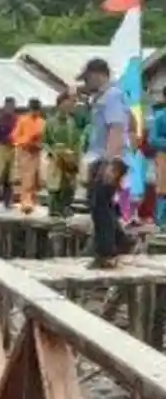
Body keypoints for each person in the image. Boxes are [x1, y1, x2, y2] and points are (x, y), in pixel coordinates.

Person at [79, 57, 131, 269]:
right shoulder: (102, 97)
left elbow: (116, 129)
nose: (86, 83)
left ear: (98, 74)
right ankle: (120, 240)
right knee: (101, 202)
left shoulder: (112, 96)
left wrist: (110, 162)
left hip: (110, 158)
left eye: (88, 78)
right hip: (100, 156)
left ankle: (106, 253)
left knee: (99, 203)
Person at [44, 93, 83, 217]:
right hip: (56, 157)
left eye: (71, 104)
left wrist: (76, 156)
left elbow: (77, 141)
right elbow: (45, 141)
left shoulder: (72, 123)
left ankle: (66, 208)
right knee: (55, 185)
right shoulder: (50, 122)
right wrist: (52, 151)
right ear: (59, 105)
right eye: (66, 104)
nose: (69, 107)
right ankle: (54, 210)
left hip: (70, 157)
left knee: (70, 185)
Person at [12, 98, 45, 214]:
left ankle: (32, 201)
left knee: (36, 177)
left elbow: (44, 137)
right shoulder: (22, 120)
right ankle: (26, 202)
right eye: (33, 109)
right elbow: (15, 136)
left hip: (37, 151)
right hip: (25, 151)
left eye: (37, 110)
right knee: (27, 177)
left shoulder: (42, 122)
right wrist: (27, 141)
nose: (35, 112)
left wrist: (39, 143)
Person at [0, 98, 18, 206]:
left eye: (12, 106)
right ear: (5, 107)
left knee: (10, 175)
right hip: (0, 147)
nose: (10, 108)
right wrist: (2, 139)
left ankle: (8, 200)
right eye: (8, 106)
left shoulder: (16, 120)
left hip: (12, 148)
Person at [147, 87, 166, 226]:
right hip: (163, 157)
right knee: (162, 191)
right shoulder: (159, 116)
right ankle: (161, 223)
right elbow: (152, 139)